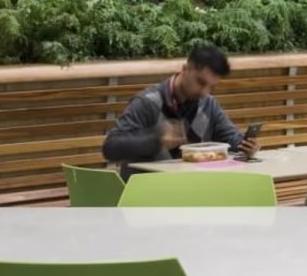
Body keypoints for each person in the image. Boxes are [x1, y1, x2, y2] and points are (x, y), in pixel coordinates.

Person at [102, 43, 258, 176]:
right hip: (147, 196)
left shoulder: (208, 104)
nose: (204, 92)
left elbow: (230, 137)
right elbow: (110, 148)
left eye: (211, 86)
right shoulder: (148, 103)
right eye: (201, 82)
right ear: (185, 69)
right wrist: (156, 141)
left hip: (190, 193)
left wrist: (245, 145)